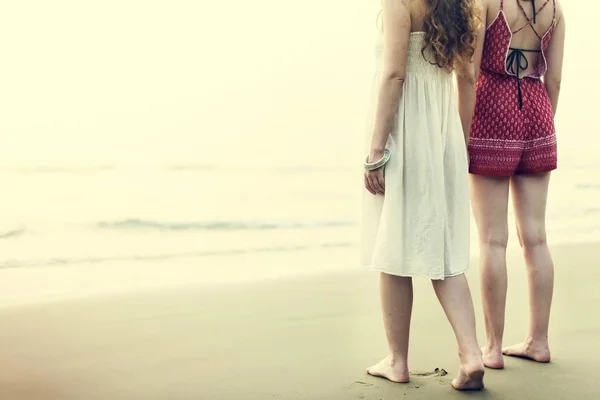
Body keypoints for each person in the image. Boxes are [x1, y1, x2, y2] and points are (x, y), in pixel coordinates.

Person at [361, 0, 484, 391]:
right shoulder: (461, 6)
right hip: (443, 130)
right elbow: (467, 78)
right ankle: (471, 354)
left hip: (405, 130)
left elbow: (395, 75)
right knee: (445, 251)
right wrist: (457, 143)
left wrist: (376, 150)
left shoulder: (399, 3)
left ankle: (397, 360)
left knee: (394, 242)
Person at [461, 0, 565, 369]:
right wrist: (537, 123)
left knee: (492, 239)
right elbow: (553, 79)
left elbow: (469, 74)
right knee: (535, 236)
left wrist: (462, 135)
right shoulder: (555, 8)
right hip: (537, 109)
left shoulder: (487, 4)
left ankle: (493, 347)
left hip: (492, 108)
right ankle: (538, 341)